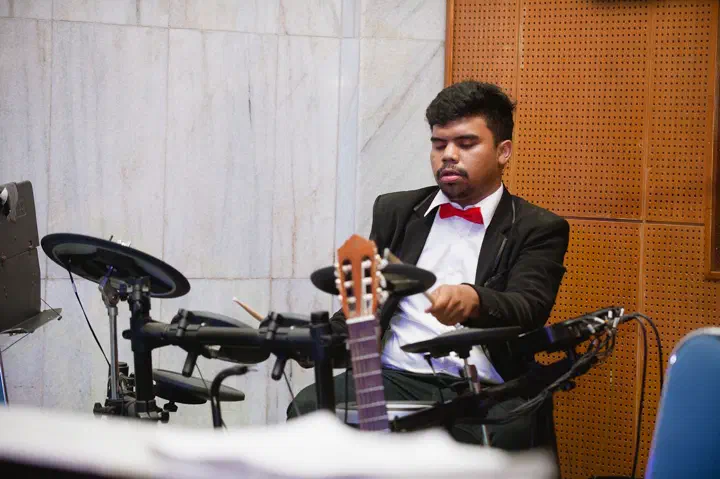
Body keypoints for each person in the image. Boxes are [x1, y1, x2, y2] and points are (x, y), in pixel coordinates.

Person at [288, 81, 570, 453]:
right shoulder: (396, 211)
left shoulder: (537, 227)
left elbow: (529, 307)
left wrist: (474, 300)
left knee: (496, 442)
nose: (448, 155)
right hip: (395, 376)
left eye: (466, 144)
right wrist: (314, 341)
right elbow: (367, 305)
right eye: (439, 145)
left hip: (484, 389)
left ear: (503, 152)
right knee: (309, 408)